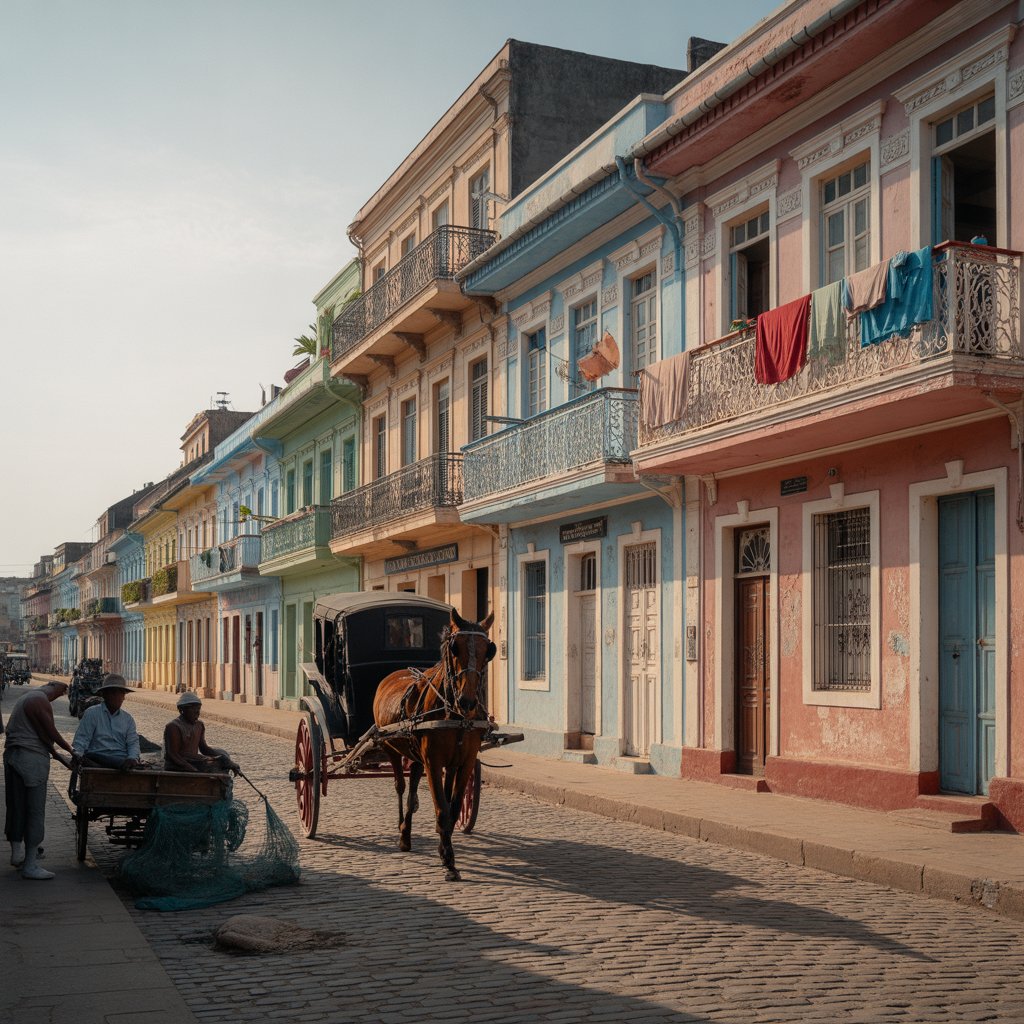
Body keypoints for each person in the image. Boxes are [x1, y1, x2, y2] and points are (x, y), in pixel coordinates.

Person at [3, 681, 74, 880]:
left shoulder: (28, 697)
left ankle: (17, 854)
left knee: (16, 806)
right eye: (60, 693)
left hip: (13, 757)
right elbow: (51, 733)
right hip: (30, 761)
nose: (58, 697)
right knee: (35, 810)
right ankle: (30, 865)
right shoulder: (39, 700)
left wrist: (62, 758)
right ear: (53, 687)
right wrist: (70, 750)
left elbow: (44, 738)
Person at [71, 675, 143, 770]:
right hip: (97, 758)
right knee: (90, 757)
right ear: (104, 695)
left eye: (121, 694)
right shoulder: (92, 713)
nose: (117, 697)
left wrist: (132, 758)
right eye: (113, 693)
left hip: (121, 759)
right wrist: (77, 755)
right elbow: (81, 739)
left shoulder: (128, 719)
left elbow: (133, 743)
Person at [163, 692, 239, 774]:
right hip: (178, 764)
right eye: (192, 709)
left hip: (194, 761)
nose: (197, 712)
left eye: (198, 709)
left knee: (223, 759)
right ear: (182, 710)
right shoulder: (173, 727)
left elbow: (204, 749)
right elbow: (172, 754)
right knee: (213, 766)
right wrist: (191, 769)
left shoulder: (199, 725)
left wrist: (226, 760)